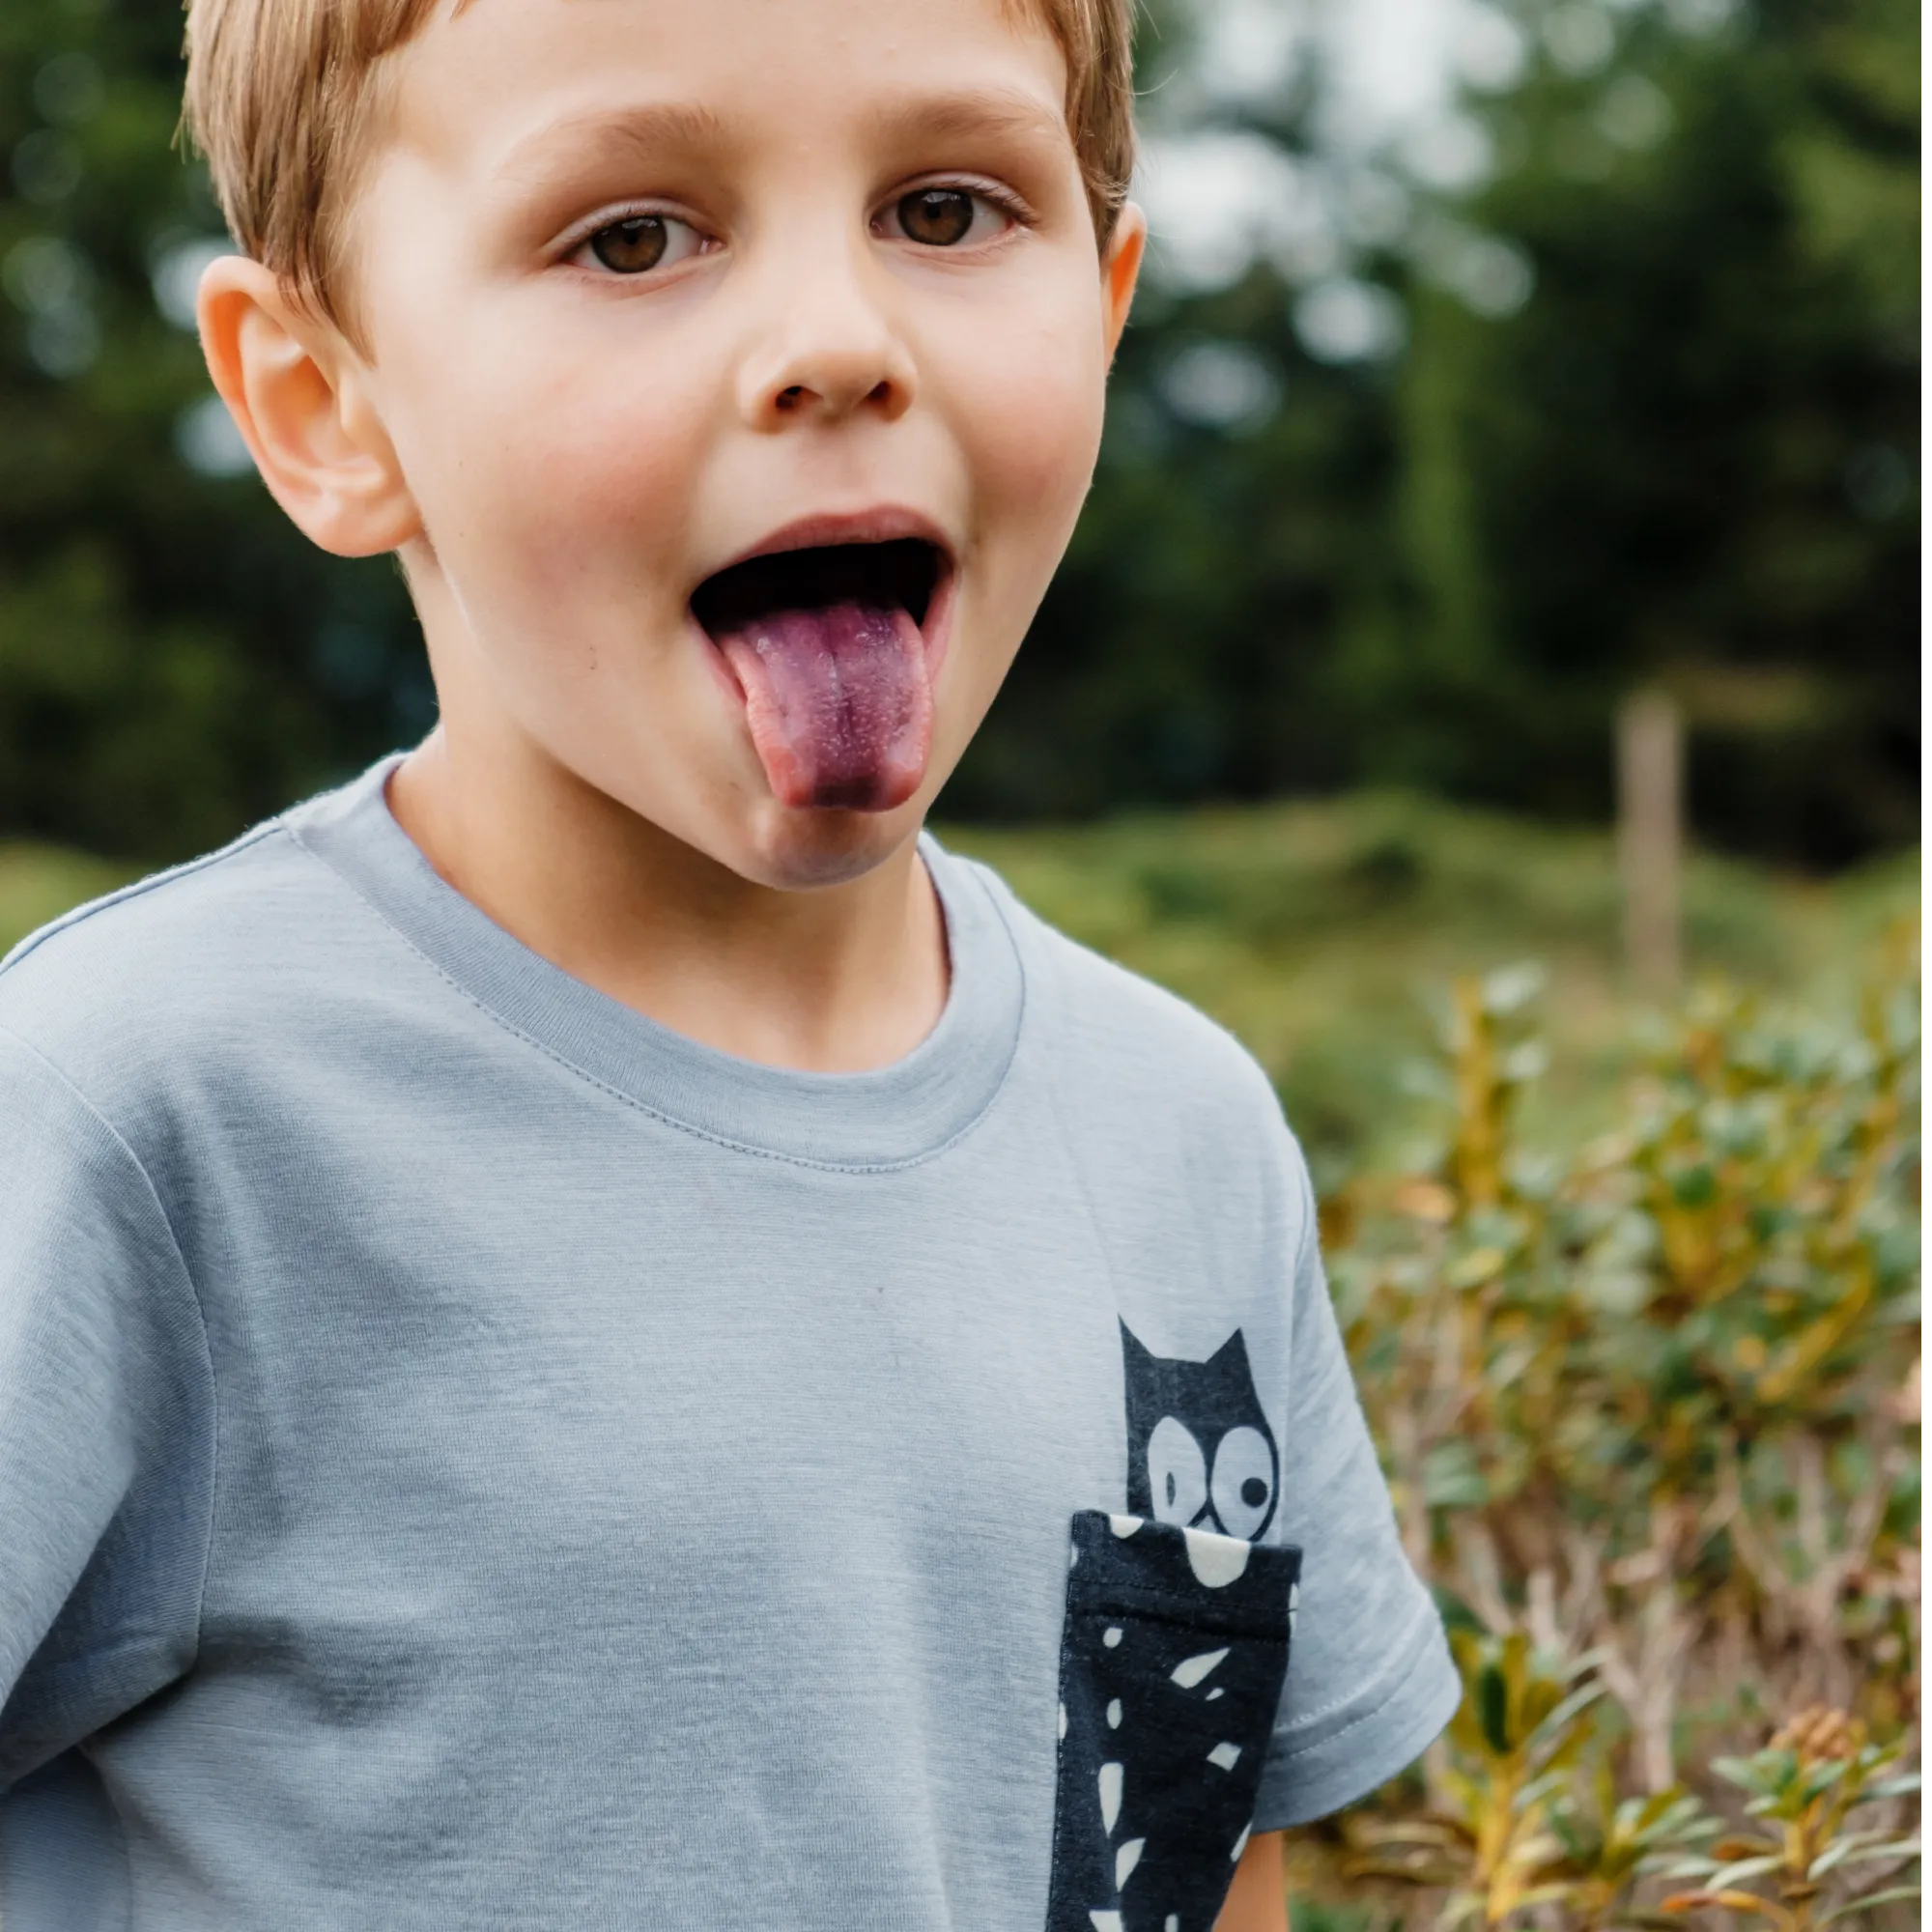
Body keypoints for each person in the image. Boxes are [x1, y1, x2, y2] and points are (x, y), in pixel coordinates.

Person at [0, 1, 1458, 1925]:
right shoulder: (137, 1105)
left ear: (1103, 313)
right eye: (630, 237)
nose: (842, 340)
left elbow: (1209, 1860)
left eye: (946, 207)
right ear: (322, 407)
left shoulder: (1178, 1131)